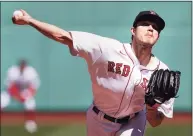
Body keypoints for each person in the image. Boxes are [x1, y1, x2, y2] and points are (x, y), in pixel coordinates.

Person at [12, 9, 175, 136]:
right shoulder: (107, 49)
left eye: (155, 27)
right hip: (98, 120)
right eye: (145, 24)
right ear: (133, 30)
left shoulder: (163, 73)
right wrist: (29, 21)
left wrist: (152, 108)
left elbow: (154, 122)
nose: (151, 28)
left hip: (134, 121)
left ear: (158, 37)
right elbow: (63, 36)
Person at [1, 59, 40, 133]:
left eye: (24, 65)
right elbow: (10, 86)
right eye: (21, 65)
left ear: (26, 66)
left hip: (25, 90)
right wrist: (18, 96)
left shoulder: (31, 71)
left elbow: (33, 87)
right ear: (19, 66)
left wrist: (26, 96)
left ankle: (30, 124)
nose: (22, 67)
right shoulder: (12, 71)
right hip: (12, 91)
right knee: (2, 101)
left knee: (30, 104)